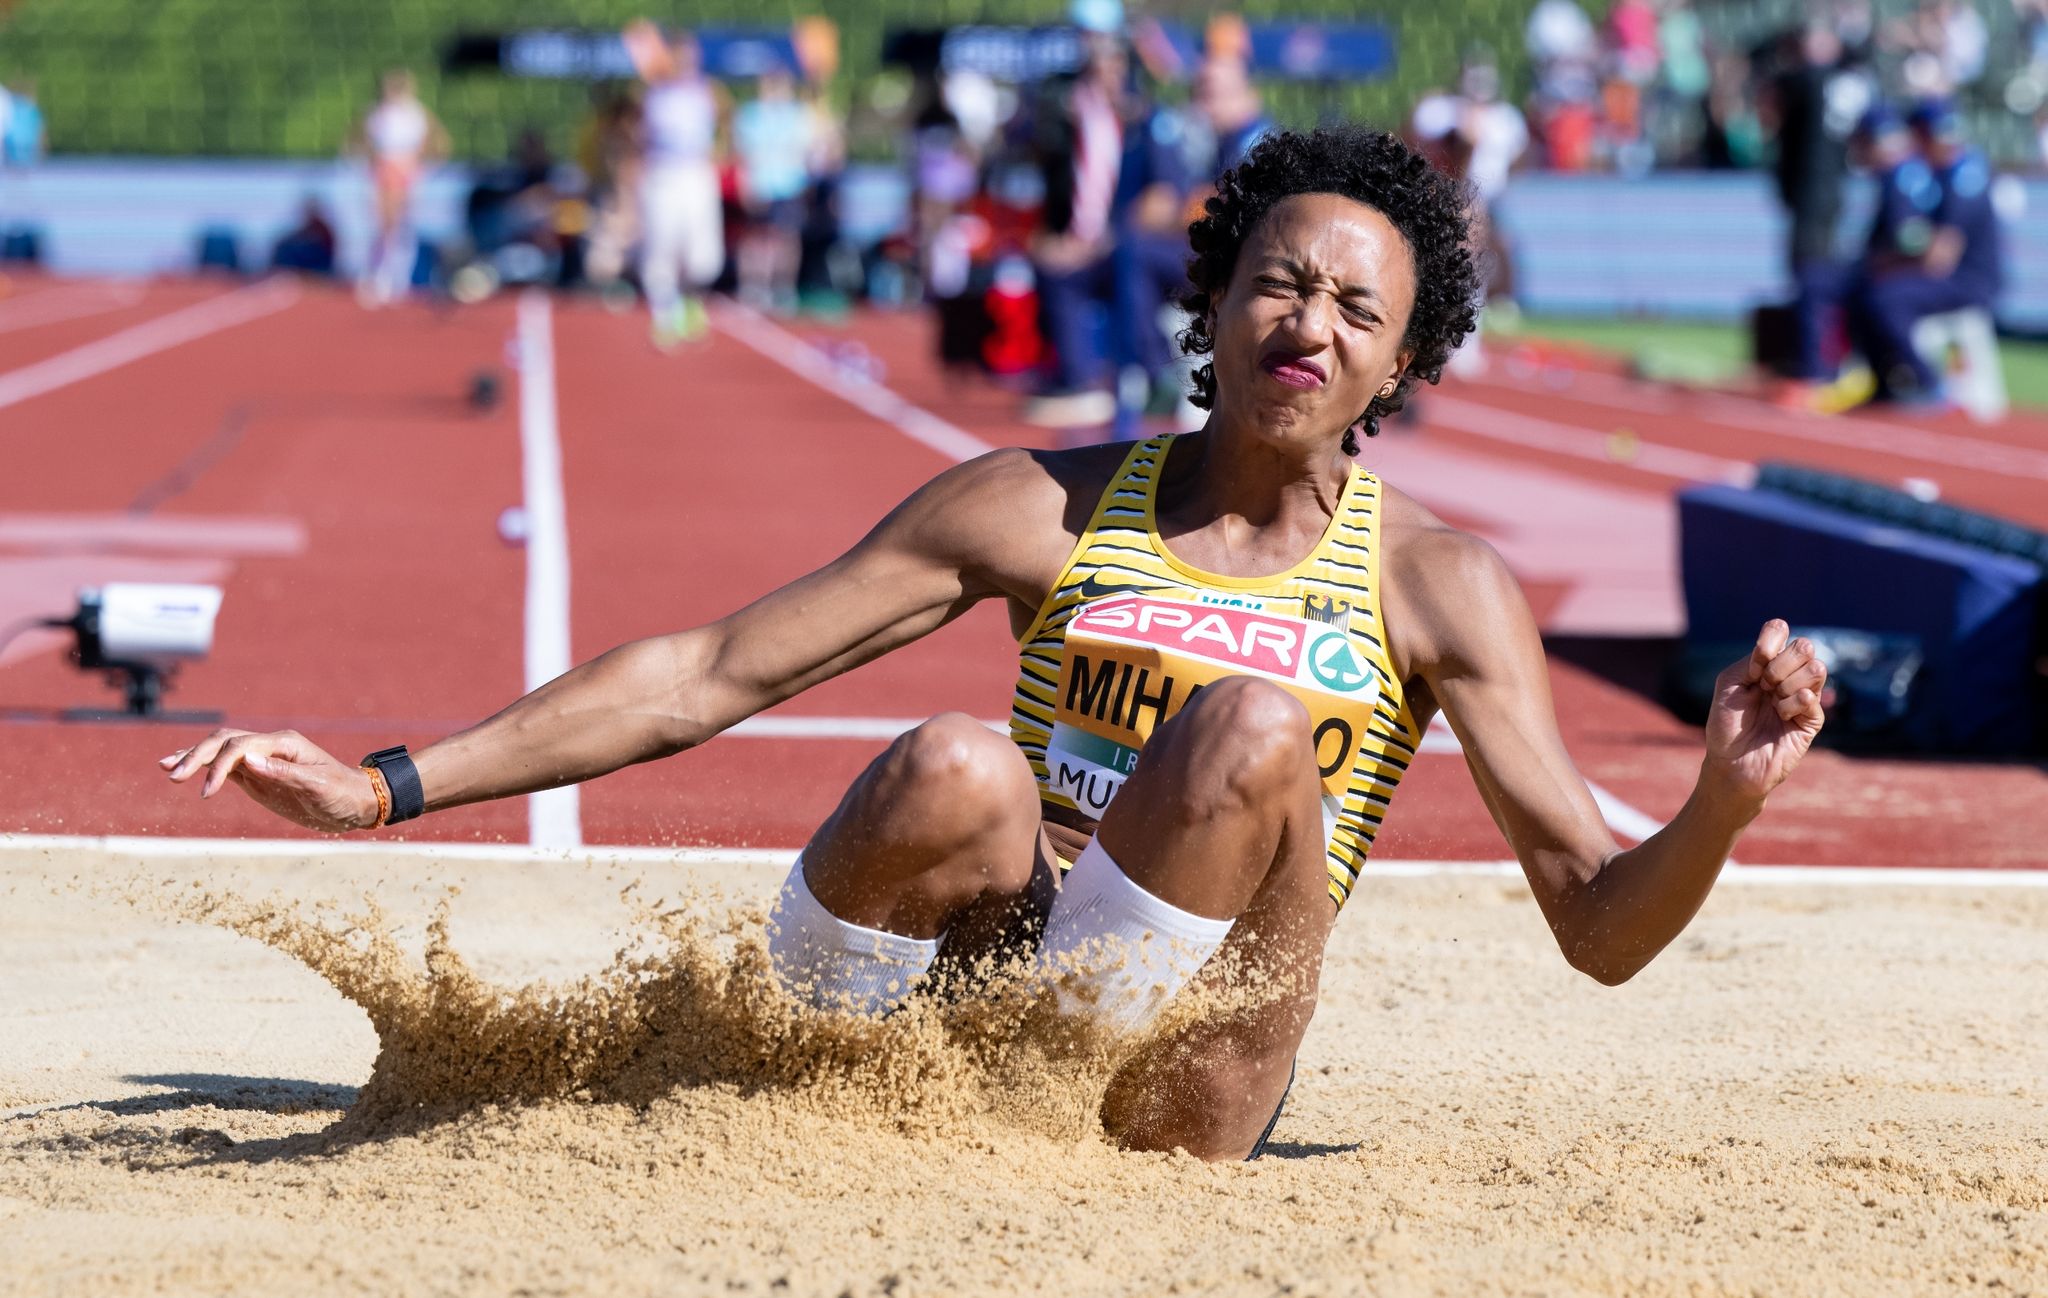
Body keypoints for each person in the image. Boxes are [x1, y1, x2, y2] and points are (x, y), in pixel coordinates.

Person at [160, 126, 1827, 1163]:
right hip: (977, 995)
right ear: (1214, 301)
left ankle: (1033, 1112)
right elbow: (714, 670)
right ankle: (796, 1086)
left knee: (1249, 734)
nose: (1305, 323)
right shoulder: (1039, 503)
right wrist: (383, 784)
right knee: (954, 762)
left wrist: (1721, 801)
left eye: (1353, 309)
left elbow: (1598, 930)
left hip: (1183, 1066)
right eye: (1276, 281)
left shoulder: (1438, 584)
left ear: (1400, 364)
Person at [1848, 98, 2003, 405]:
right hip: (1949, 277)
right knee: (1864, 291)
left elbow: (1940, 257)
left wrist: (1886, 263)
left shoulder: (1965, 177)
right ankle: (1885, 384)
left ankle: (1929, 382)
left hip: (1969, 282)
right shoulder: (1937, 175)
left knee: (1887, 299)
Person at [624, 21, 730, 348]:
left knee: (704, 258)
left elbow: (726, 123)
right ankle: (665, 318)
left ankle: (691, 303)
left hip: (696, 176)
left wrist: (719, 152)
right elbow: (634, 136)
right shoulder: (651, 95)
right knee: (660, 248)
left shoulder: (709, 92)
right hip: (662, 176)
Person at [352, 69, 449, 307]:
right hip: (384, 172)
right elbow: (359, 142)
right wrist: (366, 166)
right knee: (383, 225)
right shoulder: (378, 113)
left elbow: (439, 142)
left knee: (401, 225)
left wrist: (423, 169)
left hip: (405, 172)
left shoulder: (416, 114)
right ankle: (378, 274)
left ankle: (398, 278)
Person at [732, 67, 814, 312]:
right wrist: (745, 184)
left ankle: (782, 287)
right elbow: (742, 154)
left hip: (790, 184)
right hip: (760, 183)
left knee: (787, 238)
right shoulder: (750, 114)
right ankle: (753, 286)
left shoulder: (800, 115)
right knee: (756, 237)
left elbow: (808, 152)